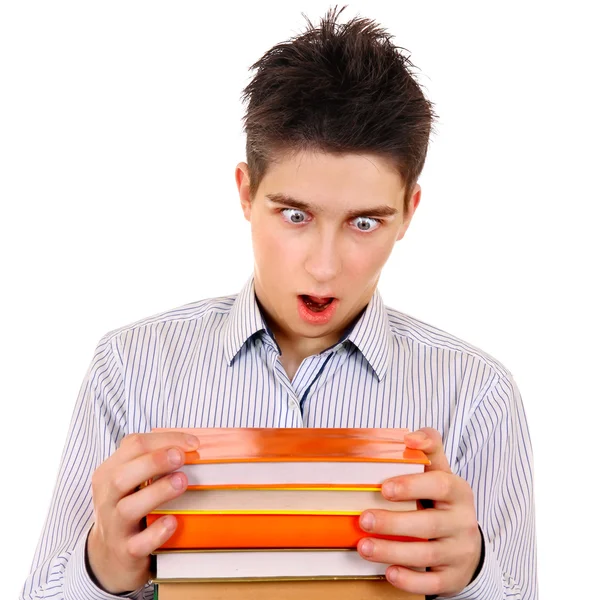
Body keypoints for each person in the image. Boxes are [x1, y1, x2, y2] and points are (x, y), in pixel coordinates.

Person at [21, 6, 537, 600]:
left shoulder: (476, 395)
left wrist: (472, 576)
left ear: (410, 214)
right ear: (246, 192)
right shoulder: (130, 369)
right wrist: (102, 567)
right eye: (295, 215)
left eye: (365, 222)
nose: (323, 264)